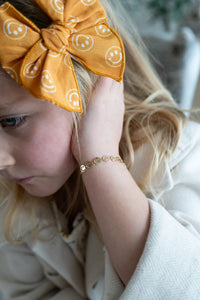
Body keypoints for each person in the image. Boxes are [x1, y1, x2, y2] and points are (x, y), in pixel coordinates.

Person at [0, 0, 200, 299]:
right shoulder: (18, 193)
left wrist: (98, 158)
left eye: (12, 121)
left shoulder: (177, 154)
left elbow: (181, 289)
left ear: (89, 91)